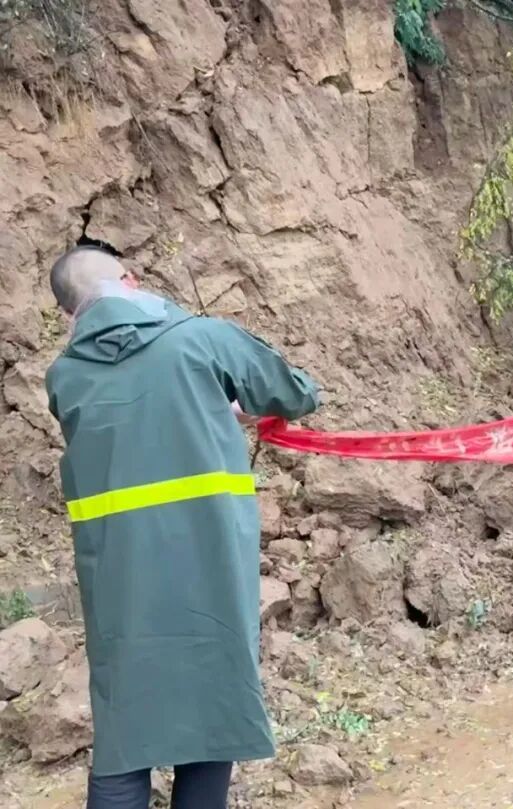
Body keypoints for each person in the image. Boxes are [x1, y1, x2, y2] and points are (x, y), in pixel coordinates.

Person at [44, 245, 320, 809]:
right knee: (211, 713)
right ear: (130, 280)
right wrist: (231, 404)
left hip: (121, 581)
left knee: (125, 730)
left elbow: (132, 420)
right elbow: (294, 392)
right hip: (209, 565)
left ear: (70, 313)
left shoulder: (63, 378)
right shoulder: (202, 338)